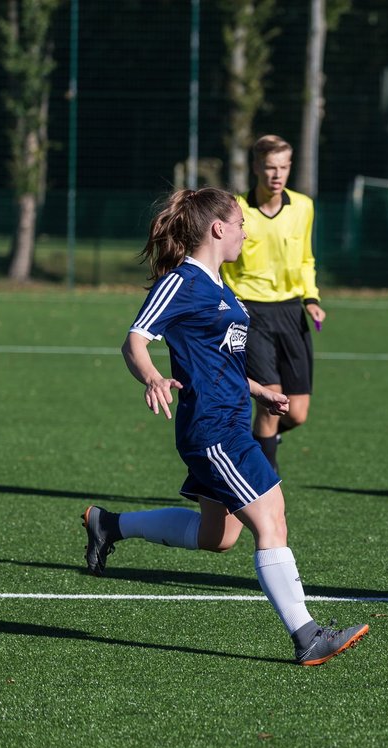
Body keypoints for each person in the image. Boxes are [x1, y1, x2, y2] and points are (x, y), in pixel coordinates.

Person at [81, 187, 367, 666]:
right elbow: (134, 340)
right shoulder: (181, 283)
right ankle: (307, 635)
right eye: (239, 224)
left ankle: (109, 525)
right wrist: (152, 376)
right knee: (272, 515)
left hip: (230, 419)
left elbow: (219, 361)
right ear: (218, 229)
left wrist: (258, 391)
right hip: (213, 430)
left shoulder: (221, 287)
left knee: (219, 537)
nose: (245, 231)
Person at [220, 134, 322, 474]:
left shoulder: (304, 207)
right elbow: (220, 261)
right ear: (255, 168)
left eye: (283, 167)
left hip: (292, 312)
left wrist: (311, 298)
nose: (277, 175)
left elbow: (306, 258)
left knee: (297, 413)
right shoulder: (236, 209)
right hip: (252, 312)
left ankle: (259, 445)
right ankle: (264, 484)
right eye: (269, 167)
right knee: (271, 404)